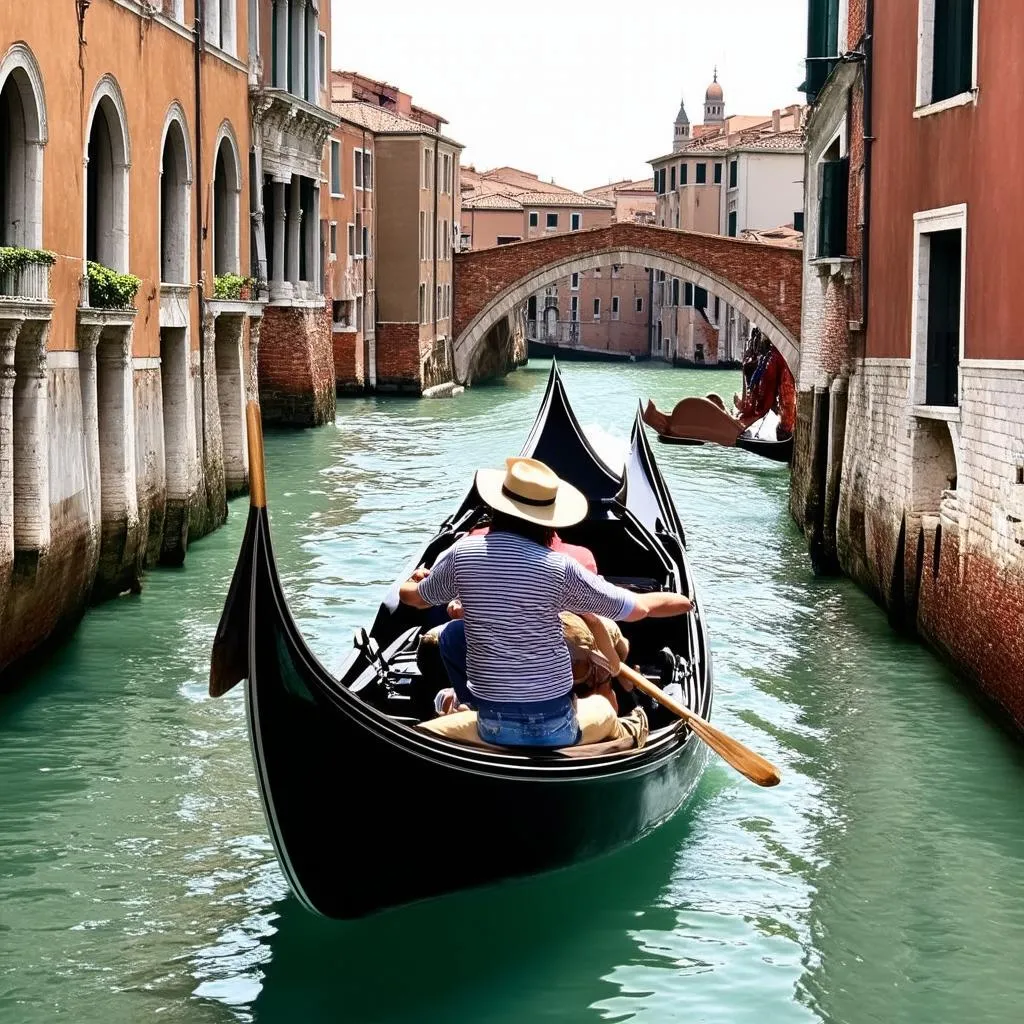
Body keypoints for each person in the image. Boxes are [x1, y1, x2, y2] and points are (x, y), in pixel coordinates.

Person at [399, 456, 693, 748]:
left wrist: (414, 580)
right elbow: (638, 609)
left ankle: (464, 706)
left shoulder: (461, 554)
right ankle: (635, 725)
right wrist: (684, 601)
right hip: (558, 727)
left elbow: (415, 598)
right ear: (548, 521)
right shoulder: (560, 568)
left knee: (451, 635)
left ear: (496, 507)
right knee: (602, 709)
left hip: (492, 727)